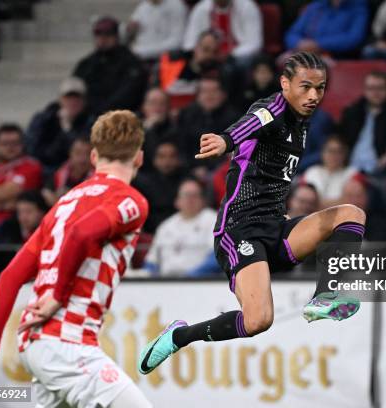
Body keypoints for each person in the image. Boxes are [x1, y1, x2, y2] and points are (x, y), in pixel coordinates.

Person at [138, 52, 366, 376]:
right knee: (258, 320)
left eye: (320, 88)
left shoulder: (303, 123)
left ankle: (325, 295)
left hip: (276, 227)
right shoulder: (274, 107)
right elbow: (257, 118)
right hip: (238, 230)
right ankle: (179, 336)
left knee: (351, 214)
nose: (314, 96)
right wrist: (226, 139)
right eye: (305, 87)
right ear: (285, 84)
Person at [0, 110, 152, 407]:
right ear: (139, 158)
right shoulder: (130, 200)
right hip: (67, 341)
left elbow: (10, 276)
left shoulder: (62, 204)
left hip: (36, 345)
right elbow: (81, 234)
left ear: (93, 157)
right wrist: (58, 294)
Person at [73, 17, 147, 115]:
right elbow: (74, 89)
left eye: (108, 34)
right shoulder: (86, 64)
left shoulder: (131, 62)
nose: (103, 38)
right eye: (98, 34)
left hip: (122, 116)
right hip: (89, 117)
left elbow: (130, 93)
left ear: (117, 36)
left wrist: (102, 110)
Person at [144, 179, 217, 276]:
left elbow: (217, 257)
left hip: (200, 282)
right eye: (186, 195)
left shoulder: (213, 219)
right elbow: (151, 262)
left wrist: (188, 277)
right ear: (177, 201)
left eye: (195, 196)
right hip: (165, 283)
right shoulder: (166, 226)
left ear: (202, 200)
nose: (190, 200)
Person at [27, 77, 93, 172]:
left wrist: (67, 129)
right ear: (60, 99)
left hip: (78, 173)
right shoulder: (43, 119)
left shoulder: (91, 122)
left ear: (84, 101)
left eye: (77, 98)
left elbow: (83, 152)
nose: (73, 102)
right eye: (68, 97)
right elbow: (32, 149)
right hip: (45, 169)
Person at [175, 76, 240, 169]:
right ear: (197, 96)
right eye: (204, 91)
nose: (209, 95)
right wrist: (193, 170)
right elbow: (182, 148)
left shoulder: (234, 118)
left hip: (223, 170)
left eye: (214, 91)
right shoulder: (187, 115)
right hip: (191, 171)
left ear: (223, 94)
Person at [134, 140, 189, 232]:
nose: (167, 161)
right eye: (162, 156)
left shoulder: (187, 181)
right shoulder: (143, 183)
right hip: (152, 232)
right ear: (154, 159)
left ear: (179, 159)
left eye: (172, 156)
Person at [182, 0, 263, 63]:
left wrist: (230, 55)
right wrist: (201, 52)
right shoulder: (201, 8)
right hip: (207, 54)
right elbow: (189, 42)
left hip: (235, 57)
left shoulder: (247, 7)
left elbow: (254, 43)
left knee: (240, 63)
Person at [285, 0, 369, 58]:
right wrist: (298, 43)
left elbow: (354, 38)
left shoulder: (359, 8)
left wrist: (318, 44)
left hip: (337, 56)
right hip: (305, 52)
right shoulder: (316, 6)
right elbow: (292, 33)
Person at [0, 191, 49, 273]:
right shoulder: (7, 230)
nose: (24, 217)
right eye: (20, 212)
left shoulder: (49, 232)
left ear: (41, 212)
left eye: (29, 212)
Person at [155, 30, 222, 95]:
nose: (210, 55)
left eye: (215, 52)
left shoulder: (219, 71)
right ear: (196, 47)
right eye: (206, 49)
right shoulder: (173, 62)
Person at [302, 135, 357, 208]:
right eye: (330, 151)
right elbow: (303, 199)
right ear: (322, 153)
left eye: (339, 152)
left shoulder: (352, 173)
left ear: (345, 154)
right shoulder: (312, 172)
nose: (334, 155)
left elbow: (351, 201)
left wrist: (316, 204)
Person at [42, 137, 94, 206]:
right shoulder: (60, 172)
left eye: (87, 154)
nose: (82, 159)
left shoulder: (97, 178)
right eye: (78, 153)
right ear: (70, 153)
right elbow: (46, 191)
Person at [139, 88, 174, 171]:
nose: (157, 108)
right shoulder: (133, 128)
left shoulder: (175, 128)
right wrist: (146, 129)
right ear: (144, 107)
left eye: (162, 104)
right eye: (153, 103)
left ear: (168, 108)